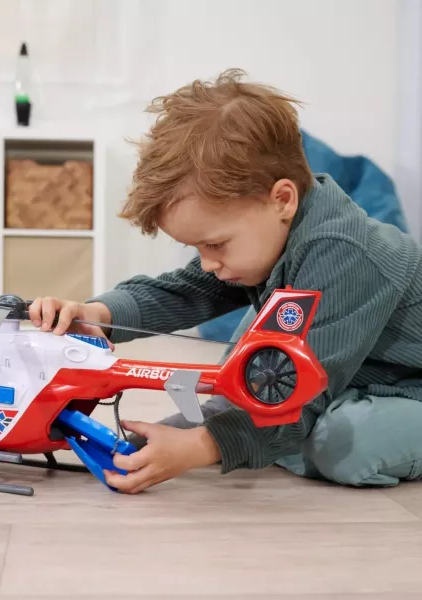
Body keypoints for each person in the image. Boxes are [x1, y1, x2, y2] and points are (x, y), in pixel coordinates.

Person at [29, 68, 422, 494]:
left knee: (342, 446)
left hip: (408, 388)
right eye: (198, 248)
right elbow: (188, 290)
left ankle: (271, 435)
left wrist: (202, 445)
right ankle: (264, 432)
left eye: (215, 244)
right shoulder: (274, 237)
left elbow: (301, 390)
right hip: (360, 376)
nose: (208, 263)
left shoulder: (345, 252)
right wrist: (98, 315)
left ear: (282, 200)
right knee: (262, 350)